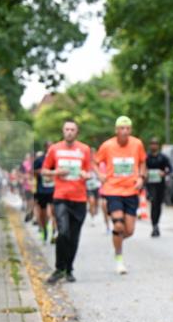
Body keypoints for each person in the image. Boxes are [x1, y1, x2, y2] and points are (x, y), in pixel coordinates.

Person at [41, 120, 93, 284]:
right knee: (63, 233)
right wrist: (57, 171)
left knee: (74, 236)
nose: (69, 132)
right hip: (61, 197)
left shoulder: (84, 149)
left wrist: (86, 175)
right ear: (63, 131)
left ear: (77, 132)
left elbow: (89, 171)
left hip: (79, 198)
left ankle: (69, 269)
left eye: (72, 129)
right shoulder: (54, 149)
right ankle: (58, 268)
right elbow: (44, 171)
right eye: (67, 129)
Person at [95, 116, 146, 275]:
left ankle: (116, 242)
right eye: (121, 129)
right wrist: (99, 175)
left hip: (131, 191)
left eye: (127, 129)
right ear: (116, 130)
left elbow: (143, 162)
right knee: (118, 225)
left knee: (129, 231)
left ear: (130, 130)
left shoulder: (137, 144)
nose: (124, 132)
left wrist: (141, 178)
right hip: (113, 191)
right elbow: (95, 162)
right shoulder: (107, 145)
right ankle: (119, 259)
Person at [144, 137, 172, 237]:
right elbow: (141, 167)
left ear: (158, 146)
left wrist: (164, 173)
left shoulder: (163, 157)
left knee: (158, 205)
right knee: (153, 203)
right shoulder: (146, 157)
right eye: (152, 144)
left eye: (155, 144)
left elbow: (170, 169)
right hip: (150, 185)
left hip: (160, 184)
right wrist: (145, 173)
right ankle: (154, 225)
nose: (153, 146)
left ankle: (156, 223)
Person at [32, 142, 56, 243]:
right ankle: (44, 228)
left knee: (55, 210)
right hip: (42, 190)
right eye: (49, 146)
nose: (51, 148)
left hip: (54, 189)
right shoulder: (39, 160)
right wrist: (43, 172)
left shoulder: (57, 158)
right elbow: (33, 171)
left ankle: (54, 231)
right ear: (45, 148)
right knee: (42, 212)